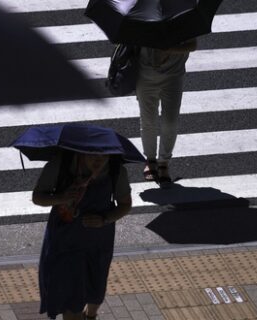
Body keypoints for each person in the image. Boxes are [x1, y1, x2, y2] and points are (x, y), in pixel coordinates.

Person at [32, 150, 132, 320]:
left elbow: (125, 204)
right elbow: (37, 197)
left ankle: (91, 315)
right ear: (81, 153)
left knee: (96, 287)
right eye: (93, 155)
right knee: (70, 298)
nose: (98, 161)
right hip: (65, 241)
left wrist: (104, 219)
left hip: (98, 240)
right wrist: (61, 198)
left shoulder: (116, 170)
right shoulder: (61, 165)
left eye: (104, 156)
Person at [136, 38, 197, 188]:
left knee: (170, 122)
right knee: (148, 120)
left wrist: (168, 48)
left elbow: (192, 45)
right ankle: (150, 160)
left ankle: (163, 162)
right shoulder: (142, 18)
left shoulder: (182, 19)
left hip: (173, 77)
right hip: (145, 75)